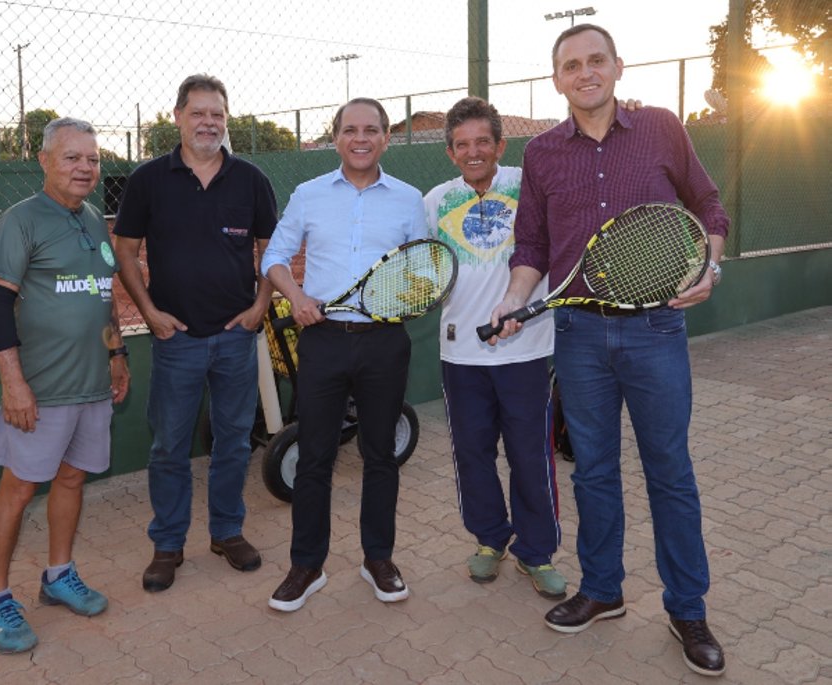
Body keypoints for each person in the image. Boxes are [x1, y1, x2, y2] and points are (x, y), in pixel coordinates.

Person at [491, 24, 727, 677]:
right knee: (592, 470)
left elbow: (708, 204)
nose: (585, 72)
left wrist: (710, 267)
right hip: (579, 335)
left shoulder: (661, 128)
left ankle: (688, 609)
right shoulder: (541, 153)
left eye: (596, 60)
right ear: (557, 79)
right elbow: (532, 246)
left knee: (669, 471)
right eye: (571, 65)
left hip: (656, 329)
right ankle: (602, 590)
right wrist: (512, 298)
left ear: (618, 66)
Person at [112, 74, 278, 593]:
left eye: (217, 114)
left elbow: (271, 250)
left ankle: (227, 532)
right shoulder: (148, 180)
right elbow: (125, 251)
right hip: (175, 340)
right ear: (178, 116)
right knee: (169, 447)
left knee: (233, 442)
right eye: (199, 113)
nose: (209, 123)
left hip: (235, 338)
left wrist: (259, 307)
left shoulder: (251, 180)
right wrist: (150, 313)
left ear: (226, 120)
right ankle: (168, 543)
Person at [262, 97, 428, 612]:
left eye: (371, 130)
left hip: (384, 341)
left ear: (385, 138)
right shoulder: (308, 194)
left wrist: (411, 294)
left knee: (380, 454)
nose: (361, 138)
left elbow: (423, 269)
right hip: (324, 339)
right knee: (315, 455)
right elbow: (274, 257)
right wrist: (297, 296)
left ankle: (378, 559)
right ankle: (306, 566)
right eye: (351, 129)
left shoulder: (408, 199)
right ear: (335, 137)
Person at [0, 117, 130, 654]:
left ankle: (58, 575)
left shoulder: (93, 219)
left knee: (71, 480)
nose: (85, 167)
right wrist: (14, 385)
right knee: (18, 490)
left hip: (92, 387)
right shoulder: (21, 220)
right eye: (72, 157)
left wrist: (117, 353)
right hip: (41, 391)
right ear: (44, 161)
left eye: (93, 159)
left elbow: (103, 297)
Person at [423, 97, 565, 599]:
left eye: (483, 141)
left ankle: (536, 552)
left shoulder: (530, 186)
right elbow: (427, 270)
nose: (473, 152)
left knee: (530, 455)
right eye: (462, 145)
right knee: (472, 453)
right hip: (461, 356)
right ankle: (489, 539)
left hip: (526, 351)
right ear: (450, 152)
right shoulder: (435, 201)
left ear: (501, 146)